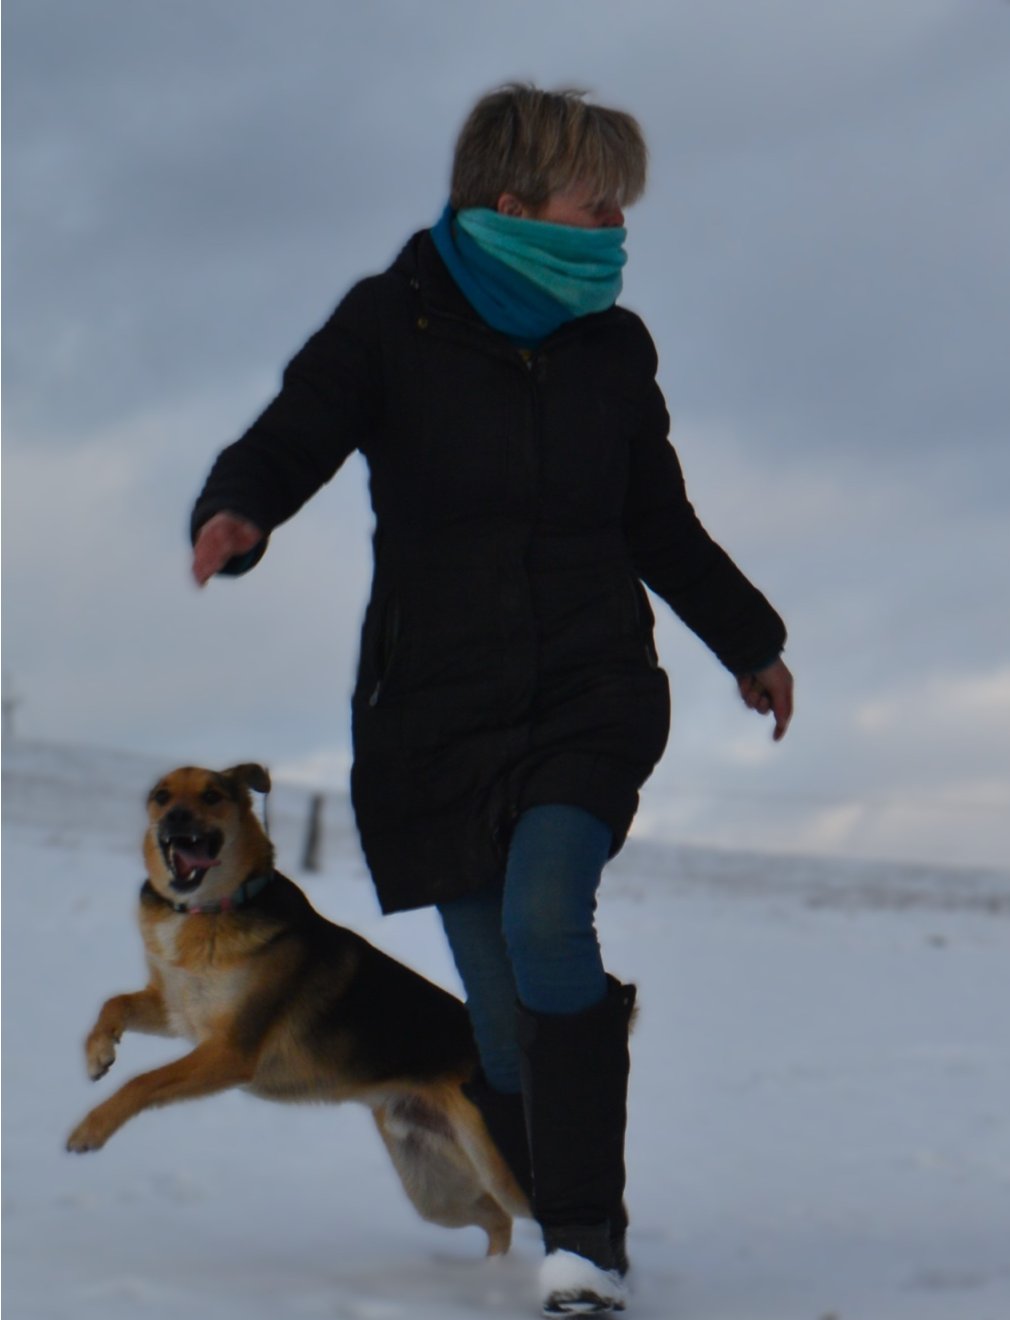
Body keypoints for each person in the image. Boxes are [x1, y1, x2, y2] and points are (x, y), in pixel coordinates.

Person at [190, 83, 793, 1316]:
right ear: (513, 205)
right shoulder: (389, 321)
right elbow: (299, 426)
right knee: (506, 1025)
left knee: (545, 915)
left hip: (588, 690)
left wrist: (747, 637)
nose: (619, 224)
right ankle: (546, 1177)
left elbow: (656, 519)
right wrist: (241, 505)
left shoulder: (613, 350)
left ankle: (585, 1246)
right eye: (597, 199)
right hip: (432, 716)